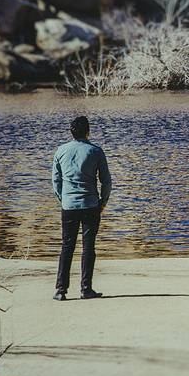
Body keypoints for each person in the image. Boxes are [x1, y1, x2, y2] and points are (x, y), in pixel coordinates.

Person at [52, 116, 112, 301]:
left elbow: (56, 181)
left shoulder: (61, 151)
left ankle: (61, 290)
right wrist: (102, 202)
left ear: (71, 132)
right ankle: (86, 288)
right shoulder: (95, 151)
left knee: (67, 246)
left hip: (69, 205)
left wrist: (64, 199)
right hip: (90, 205)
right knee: (88, 247)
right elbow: (106, 181)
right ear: (88, 131)